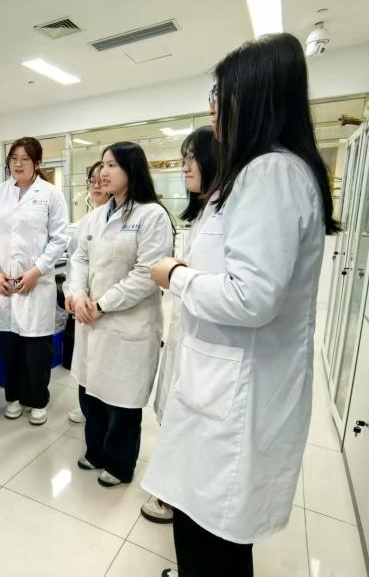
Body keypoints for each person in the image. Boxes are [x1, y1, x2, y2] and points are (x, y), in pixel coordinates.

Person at [143, 33, 339, 576]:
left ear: (254, 97)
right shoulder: (255, 172)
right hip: (220, 385)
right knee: (202, 521)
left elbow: (251, 297)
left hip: (235, 397)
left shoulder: (272, 172)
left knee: (215, 533)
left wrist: (175, 275)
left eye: (221, 96)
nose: (213, 110)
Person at [69, 142, 173, 487]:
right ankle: (95, 451)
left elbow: (147, 274)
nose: (103, 172)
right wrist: (78, 294)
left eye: (112, 165)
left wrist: (101, 305)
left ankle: (119, 463)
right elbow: (79, 258)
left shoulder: (151, 216)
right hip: (91, 319)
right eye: (102, 165)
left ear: (132, 169)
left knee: (122, 400)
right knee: (91, 392)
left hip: (127, 322)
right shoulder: (96, 216)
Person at [141, 126, 218, 524]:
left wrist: (174, 273)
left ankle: (179, 498)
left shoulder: (223, 213)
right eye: (184, 159)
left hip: (209, 343)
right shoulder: (205, 211)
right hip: (187, 329)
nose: (185, 166)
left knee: (191, 421)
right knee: (175, 413)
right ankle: (175, 492)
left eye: (192, 158)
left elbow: (230, 290)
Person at [0, 137, 68, 426]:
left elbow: (59, 239)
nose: (17, 164)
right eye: (13, 159)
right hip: (4, 282)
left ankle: (37, 400)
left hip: (37, 282)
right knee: (10, 346)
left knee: (37, 348)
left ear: (37, 163)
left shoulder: (51, 194)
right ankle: (14, 398)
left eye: (25, 159)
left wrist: (35, 271)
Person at [63, 162, 110, 423]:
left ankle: (99, 413)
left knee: (103, 365)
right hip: (82, 302)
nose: (96, 185)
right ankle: (87, 409)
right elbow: (75, 262)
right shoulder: (86, 221)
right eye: (92, 180)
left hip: (106, 306)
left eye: (102, 180)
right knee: (84, 362)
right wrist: (72, 292)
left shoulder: (130, 220)